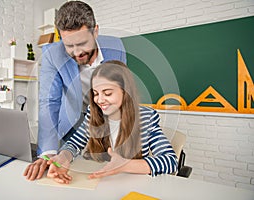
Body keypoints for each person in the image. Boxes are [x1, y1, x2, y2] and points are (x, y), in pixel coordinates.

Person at [24, 1, 126, 180]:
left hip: (108, 124)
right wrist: (47, 153)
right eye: (69, 45)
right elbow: (49, 101)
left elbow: (122, 90)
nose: (76, 52)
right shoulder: (53, 54)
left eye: (82, 43)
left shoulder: (116, 47)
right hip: (73, 121)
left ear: (95, 31)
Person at [46, 61, 178, 184]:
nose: (100, 100)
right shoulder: (93, 113)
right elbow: (74, 144)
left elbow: (170, 161)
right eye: (96, 93)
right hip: (99, 182)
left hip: (130, 184)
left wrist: (125, 165)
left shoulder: (146, 117)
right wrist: (64, 157)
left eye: (107, 93)